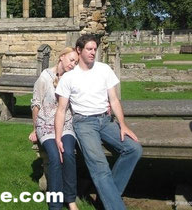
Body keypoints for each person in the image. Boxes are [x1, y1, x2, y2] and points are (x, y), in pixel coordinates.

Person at [55, 34, 142, 210]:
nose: (93, 52)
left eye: (95, 49)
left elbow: (114, 100)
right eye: (89, 49)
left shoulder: (104, 69)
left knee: (134, 149)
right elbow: (61, 110)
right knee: (100, 166)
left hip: (105, 120)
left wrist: (123, 125)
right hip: (84, 123)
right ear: (79, 50)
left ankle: (106, 198)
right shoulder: (69, 77)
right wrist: (58, 137)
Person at [30, 47, 80, 210]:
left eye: (76, 62)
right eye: (71, 60)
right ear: (61, 57)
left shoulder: (73, 79)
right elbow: (36, 104)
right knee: (54, 157)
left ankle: (70, 199)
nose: (73, 64)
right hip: (46, 124)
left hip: (65, 123)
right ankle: (55, 205)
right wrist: (34, 128)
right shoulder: (45, 77)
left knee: (68, 154)